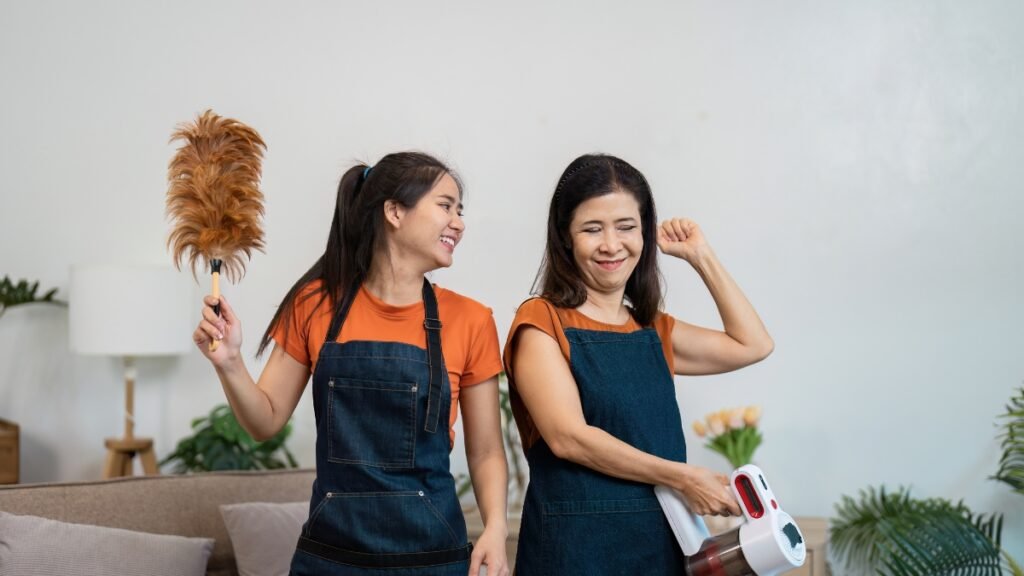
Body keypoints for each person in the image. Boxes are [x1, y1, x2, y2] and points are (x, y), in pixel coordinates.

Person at [193, 152, 510, 576]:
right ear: (394, 212)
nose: (459, 223)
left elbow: (486, 450)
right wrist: (229, 361)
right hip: (331, 560)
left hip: (432, 559)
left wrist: (496, 527)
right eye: (445, 206)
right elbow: (264, 422)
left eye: (460, 210)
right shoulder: (314, 305)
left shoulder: (471, 320)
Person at [504, 154, 775, 575]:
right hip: (575, 553)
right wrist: (682, 477)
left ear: (645, 232)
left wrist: (701, 256)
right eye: (592, 229)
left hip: (659, 547)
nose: (612, 244)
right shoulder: (542, 322)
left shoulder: (653, 329)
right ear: (566, 237)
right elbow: (568, 438)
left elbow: (753, 344)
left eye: (626, 227)